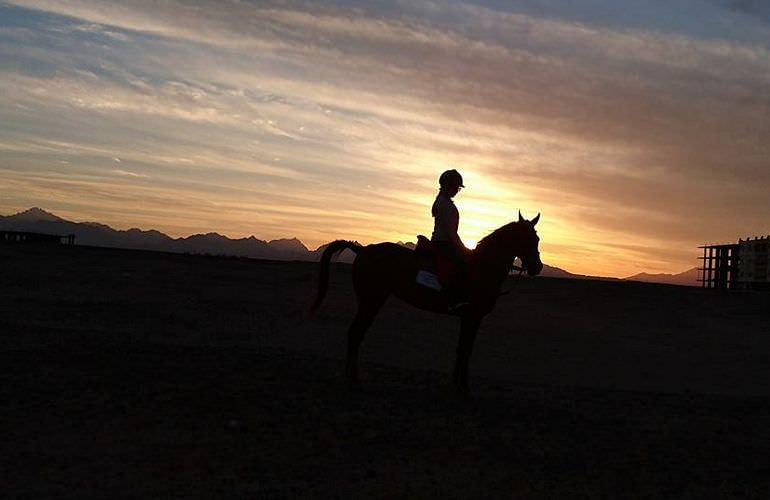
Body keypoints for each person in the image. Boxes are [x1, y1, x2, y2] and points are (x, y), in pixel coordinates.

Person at [431, 169, 470, 309]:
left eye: (458, 188)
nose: (456, 191)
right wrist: (464, 248)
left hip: (441, 241)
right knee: (464, 264)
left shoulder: (442, 201)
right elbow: (451, 233)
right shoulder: (445, 204)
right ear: (447, 186)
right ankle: (456, 299)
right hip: (445, 243)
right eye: (455, 187)